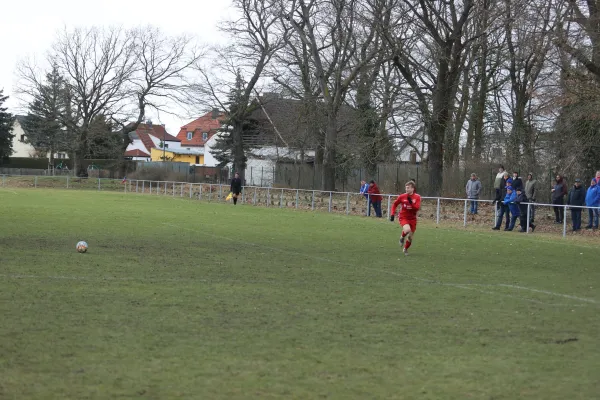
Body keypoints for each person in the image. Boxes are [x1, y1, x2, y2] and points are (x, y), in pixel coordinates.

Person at [390, 181, 422, 256]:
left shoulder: (417, 197)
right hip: (403, 217)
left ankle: (405, 249)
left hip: (413, 218)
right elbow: (394, 204)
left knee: (410, 237)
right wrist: (392, 214)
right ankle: (402, 237)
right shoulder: (402, 196)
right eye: (406, 188)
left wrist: (411, 203)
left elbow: (417, 208)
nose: (406, 189)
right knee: (407, 230)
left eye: (408, 188)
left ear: (412, 189)